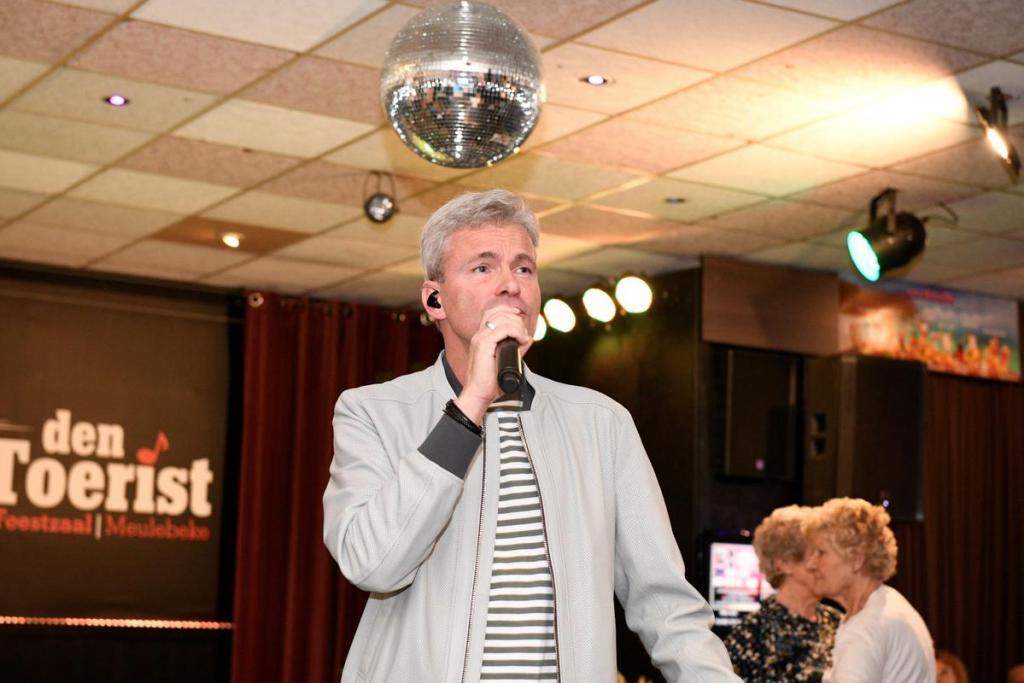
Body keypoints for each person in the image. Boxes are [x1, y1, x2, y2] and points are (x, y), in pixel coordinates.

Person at [322, 189, 740, 682]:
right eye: (483, 267)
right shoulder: (373, 412)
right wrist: (470, 406)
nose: (510, 285)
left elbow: (666, 605)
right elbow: (372, 563)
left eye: (523, 268)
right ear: (434, 299)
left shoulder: (600, 423)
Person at [805, 497, 935, 683]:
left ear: (856, 560)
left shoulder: (867, 625)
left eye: (821, 553)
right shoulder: (887, 605)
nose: (811, 564)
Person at [724, 505, 842, 682]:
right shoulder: (752, 634)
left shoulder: (837, 622)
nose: (826, 564)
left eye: (824, 554)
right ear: (785, 564)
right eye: (816, 554)